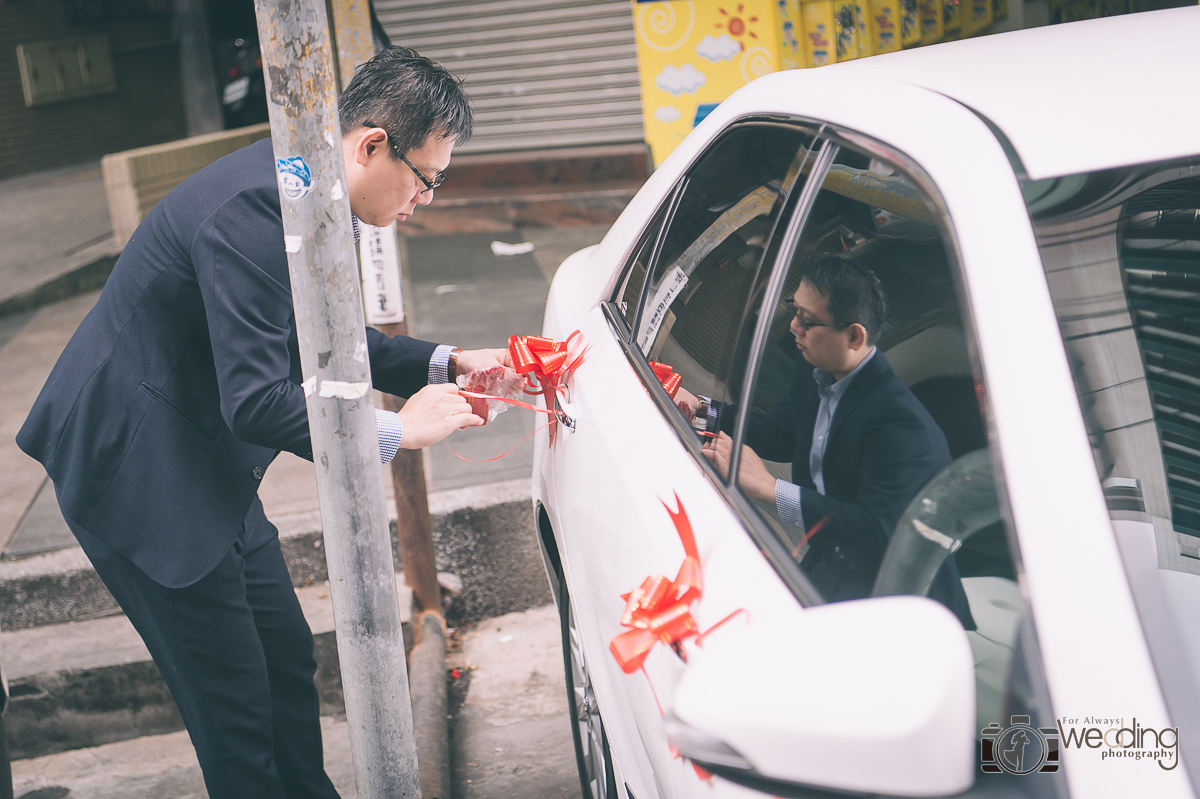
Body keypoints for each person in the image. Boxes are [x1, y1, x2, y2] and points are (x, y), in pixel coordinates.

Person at [16, 47, 504, 798]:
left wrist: (447, 361)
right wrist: (396, 431)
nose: (427, 199)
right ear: (374, 144)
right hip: (140, 474)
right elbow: (254, 398)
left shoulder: (307, 184)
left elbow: (327, 335)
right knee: (235, 707)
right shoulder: (259, 209)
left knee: (282, 656)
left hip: (207, 461)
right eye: (426, 178)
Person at [692, 253, 974, 627]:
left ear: (855, 335)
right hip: (832, 566)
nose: (793, 327)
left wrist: (770, 489)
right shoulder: (814, 368)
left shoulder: (899, 426)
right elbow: (781, 432)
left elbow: (878, 532)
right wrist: (702, 410)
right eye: (794, 311)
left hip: (901, 607)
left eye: (808, 321)